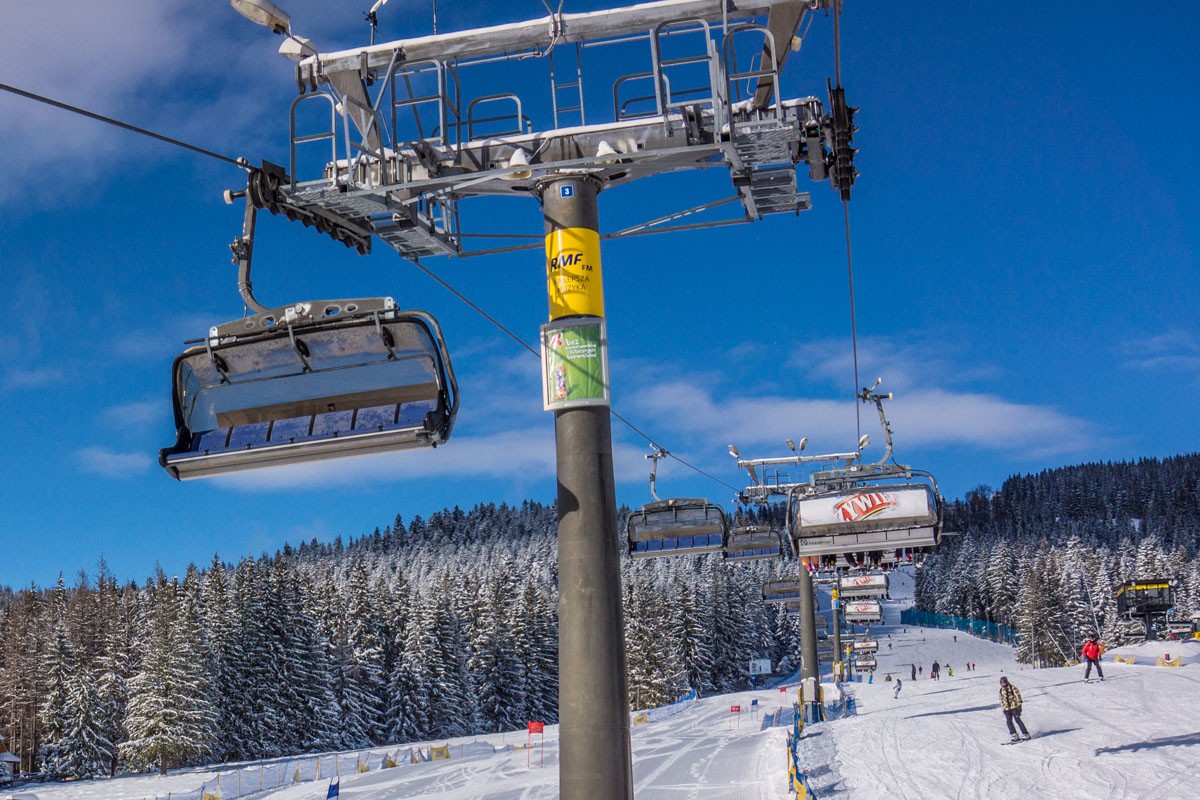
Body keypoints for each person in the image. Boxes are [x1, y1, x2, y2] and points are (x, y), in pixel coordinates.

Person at [999, 677, 1031, 742]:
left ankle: (1025, 733)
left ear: (1006, 682)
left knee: (1018, 720)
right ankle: (1014, 734)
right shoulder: (1001, 690)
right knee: (1008, 721)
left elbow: (1018, 696)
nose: (1003, 684)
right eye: (1001, 683)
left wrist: (1019, 705)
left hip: (1014, 707)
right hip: (1006, 709)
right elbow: (1001, 699)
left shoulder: (1012, 688)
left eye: (1004, 682)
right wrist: (1003, 707)